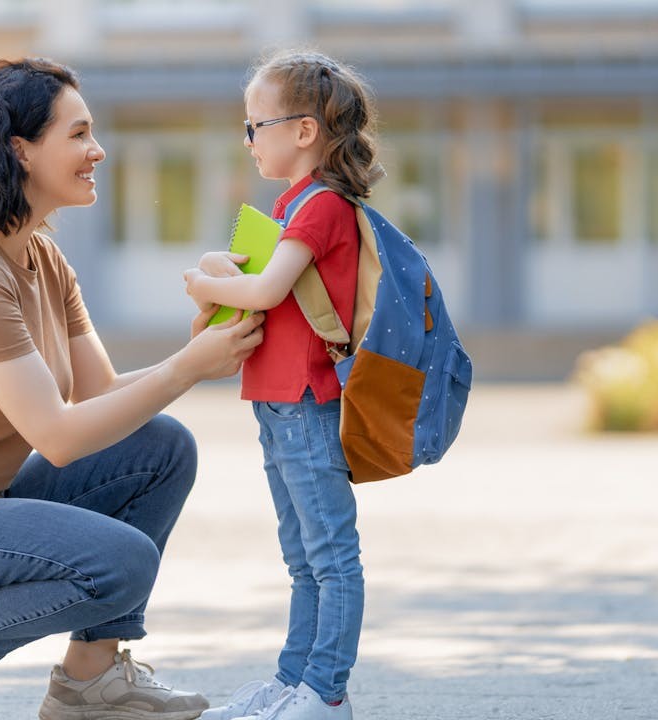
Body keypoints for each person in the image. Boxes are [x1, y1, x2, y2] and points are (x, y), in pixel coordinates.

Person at [0, 57, 265, 720]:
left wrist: (199, 345)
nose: (98, 151)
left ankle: (89, 682)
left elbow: (98, 401)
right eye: (79, 134)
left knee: (161, 447)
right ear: (20, 150)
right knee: (121, 562)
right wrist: (188, 368)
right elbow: (60, 438)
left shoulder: (42, 258)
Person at [181, 50, 384, 720]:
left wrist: (207, 283)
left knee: (330, 557)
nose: (248, 139)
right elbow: (270, 287)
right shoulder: (291, 202)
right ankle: (295, 678)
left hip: (306, 401)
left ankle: (326, 692)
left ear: (303, 131)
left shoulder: (322, 205)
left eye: (255, 125)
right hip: (277, 401)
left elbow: (266, 289)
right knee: (302, 557)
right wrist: (221, 270)